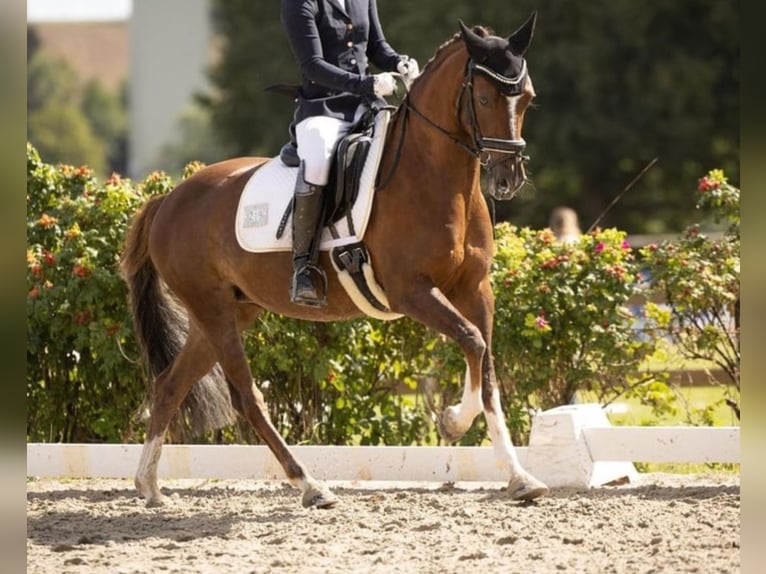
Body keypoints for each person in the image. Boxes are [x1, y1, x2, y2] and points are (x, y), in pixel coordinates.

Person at [281, 0, 419, 307]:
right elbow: (312, 67)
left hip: (367, 107)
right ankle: (303, 266)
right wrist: (365, 83)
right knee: (317, 161)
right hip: (323, 110)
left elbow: (377, 47)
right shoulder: (299, 4)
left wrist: (399, 63)